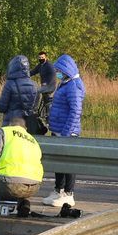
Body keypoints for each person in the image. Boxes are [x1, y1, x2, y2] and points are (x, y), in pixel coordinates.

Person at [42, 53, 85, 209]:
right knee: (59, 163)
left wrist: (66, 134)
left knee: (68, 164)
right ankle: (58, 190)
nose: (57, 73)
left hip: (67, 133)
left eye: (59, 70)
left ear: (66, 70)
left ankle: (68, 194)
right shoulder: (65, 83)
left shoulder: (74, 86)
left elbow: (75, 111)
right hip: (58, 131)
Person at [0, 116, 44, 215]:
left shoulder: (5, 131)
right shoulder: (33, 140)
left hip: (10, 185)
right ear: (25, 128)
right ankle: (23, 203)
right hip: (34, 186)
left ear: (10, 125)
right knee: (21, 175)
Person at [0, 54, 38, 125]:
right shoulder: (34, 85)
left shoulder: (9, 84)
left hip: (11, 122)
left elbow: (1, 108)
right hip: (26, 125)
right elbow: (34, 107)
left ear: (13, 67)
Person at [30, 50, 56, 132]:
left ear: (46, 57)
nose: (41, 59)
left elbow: (54, 74)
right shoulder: (40, 66)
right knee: (45, 101)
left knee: (37, 91)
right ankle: (45, 115)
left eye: (42, 57)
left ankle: (34, 109)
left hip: (50, 86)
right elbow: (33, 72)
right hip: (44, 87)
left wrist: (47, 83)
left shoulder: (49, 65)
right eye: (39, 58)